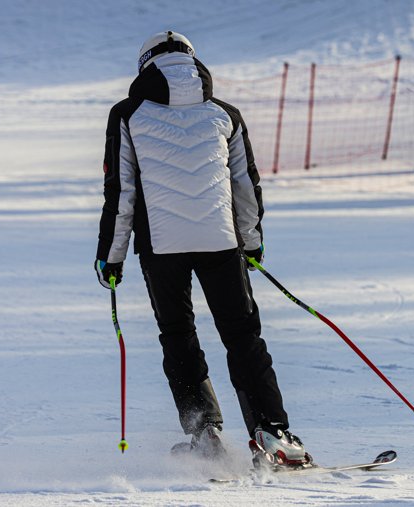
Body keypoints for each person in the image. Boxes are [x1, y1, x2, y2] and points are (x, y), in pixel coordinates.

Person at [94, 31, 308, 464]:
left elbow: (121, 193)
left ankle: (204, 434)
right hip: (221, 242)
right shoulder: (225, 114)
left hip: (161, 248)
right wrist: (252, 243)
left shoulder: (127, 114)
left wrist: (111, 256)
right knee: (244, 338)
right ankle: (273, 434)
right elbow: (245, 186)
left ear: (145, 66)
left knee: (178, 337)